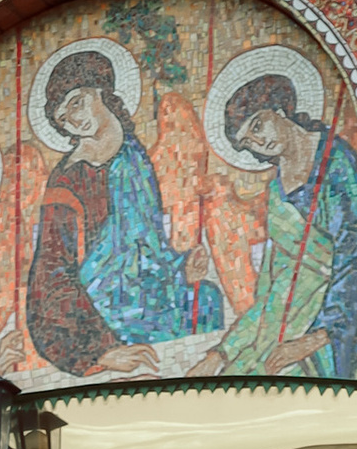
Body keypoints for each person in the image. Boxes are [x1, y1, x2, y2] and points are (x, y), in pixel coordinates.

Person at [23, 49, 220, 372]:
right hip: (99, 309)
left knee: (206, 299)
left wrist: (182, 267)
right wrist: (98, 350)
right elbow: (52, 270)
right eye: (62, 118)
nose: (73, 118)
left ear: (100, 91)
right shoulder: (68, 179)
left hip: (148, 290)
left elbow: (148, 244)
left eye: (76, 102)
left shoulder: (133, 156)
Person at [212, 74, 357, 377]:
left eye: (257, 125)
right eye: (248, 141)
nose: (259, 141)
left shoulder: (336, 161)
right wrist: (222, 352)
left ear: (278, 110)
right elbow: (272, 285)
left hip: (329, 332)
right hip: (282, 329)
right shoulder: (276, 192)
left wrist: (315, 339)